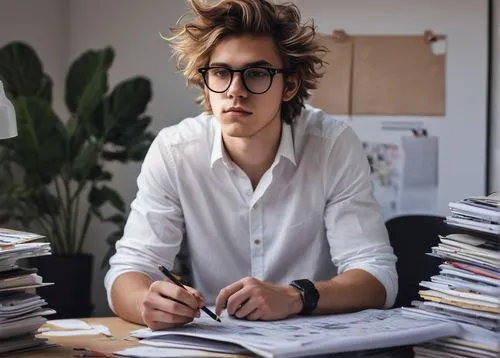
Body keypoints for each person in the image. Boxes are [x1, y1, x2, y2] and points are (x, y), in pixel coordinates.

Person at [105, 0, 398, 330]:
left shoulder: (332, 146)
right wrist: (147, 304)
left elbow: (378, 276)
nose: (235, 91)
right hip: (215, 341)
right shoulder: (175, 151)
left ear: (289, 85)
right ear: (205, 80)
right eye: (220, 73)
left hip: (314, 344)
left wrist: (294, 297)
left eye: (256, 74)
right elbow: (129, 270)